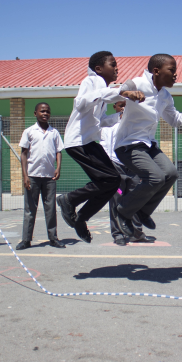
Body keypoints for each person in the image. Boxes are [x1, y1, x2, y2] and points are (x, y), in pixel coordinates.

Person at [57, 51, 144, 243]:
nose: (116, 68)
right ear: (98, 69)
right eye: (112, 64)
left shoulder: (103, 89)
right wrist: (121, 92)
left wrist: (118, 116)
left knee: (112, 182)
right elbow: (80, 104)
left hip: (88, 141)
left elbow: (100, 121)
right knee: (111, 180)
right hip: (79, 141)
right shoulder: (91, 81)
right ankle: (69, 200)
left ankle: (81, 218)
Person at [113, 54, 182, 237]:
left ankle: (142, 212)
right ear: (156, 71)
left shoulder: (165, 96)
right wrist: (128, 93)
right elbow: (118, 92)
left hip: (148, 144)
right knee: (155, 178)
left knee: (171, 174)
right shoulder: (137, 83)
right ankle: (123, 210)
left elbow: (175, 120)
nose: (175, 75)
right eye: (171, 70)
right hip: (128, 144)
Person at [16, 102, 66, 250]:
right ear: (35, 113)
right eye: (42, 111)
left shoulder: (54, 132)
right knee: (30, 209)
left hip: (49, 177)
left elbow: (58, 151)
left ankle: (53, 238)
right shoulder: (29, 132)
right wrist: (25, 176)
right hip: (33, 176)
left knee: (50, 209)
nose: (45, 114)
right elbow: (24, 154)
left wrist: (58, 168)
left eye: (48, 111)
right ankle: (26, 240)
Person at [100, 101, 150, 246]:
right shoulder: (109, 124)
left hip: (133, 166)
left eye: (126, 105)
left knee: (135, 198)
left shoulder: (136, 122)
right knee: (116, 199)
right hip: (116, 165)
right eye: (121, 105)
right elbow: (104, 145)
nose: (124, 108)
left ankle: (136, 233)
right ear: (114, 106)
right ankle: (118, 234)